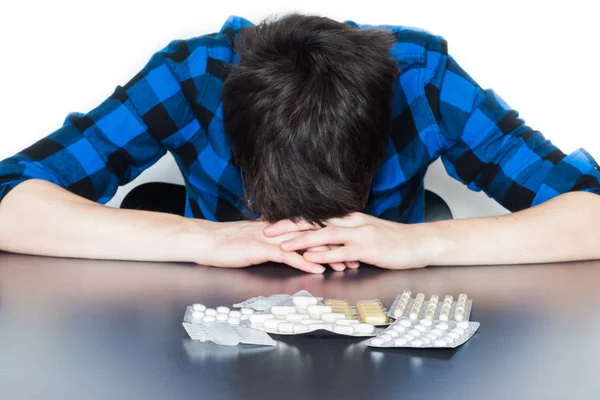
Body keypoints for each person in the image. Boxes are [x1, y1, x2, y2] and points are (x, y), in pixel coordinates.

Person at [1, 14, 599, 274]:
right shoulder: (193, 75)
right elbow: (10, 198)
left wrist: (421, 243)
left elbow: (591, 212)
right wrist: (201, 239)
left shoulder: (422, 79)